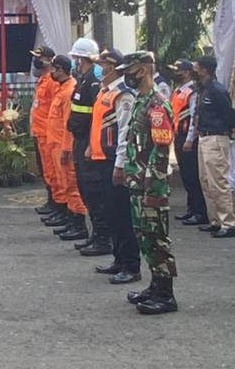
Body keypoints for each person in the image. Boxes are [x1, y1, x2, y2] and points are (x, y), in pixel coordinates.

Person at [115, 51, 179, 315]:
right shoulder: (142, 101)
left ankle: (166, 294)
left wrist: (152, 187)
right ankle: (155, 285)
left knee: (157, 239)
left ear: (142, 70)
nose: (125, 75)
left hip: (151, 185)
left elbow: (161, 151)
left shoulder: (157, 104)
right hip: (137, 181)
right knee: (144, 237)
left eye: (129, 70)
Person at [91, 48, 142, 284]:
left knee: (122, 216)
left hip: (115, 161)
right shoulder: (106, 91)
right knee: (111, 214)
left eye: (102, 64)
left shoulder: (123, 94)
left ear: (111, 67)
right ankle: (119, 259)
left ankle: (131, 265)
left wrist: (120, 164)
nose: (99, 69)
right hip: (102, 158)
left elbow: (124, 132)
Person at [67, 38, 110, 255]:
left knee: (93, 191)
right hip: (80, 139)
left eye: (76, 57)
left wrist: (92, 145)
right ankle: (96, 235)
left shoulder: (94, 81)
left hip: (88, 142)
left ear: (81, 58)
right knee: (85, 189)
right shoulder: (83, 79)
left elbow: (97, 117)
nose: (74, 61)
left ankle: (103, 239)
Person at [188, 56, 235, 236]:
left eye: (195, 67)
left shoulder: (217, 90)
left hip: (216, 137)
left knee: (218, 181)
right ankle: (216, 219)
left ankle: (229, 223)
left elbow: (229, 114)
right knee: (206, 181)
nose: (192, 70)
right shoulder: (203, 89)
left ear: (204, 70)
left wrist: (228, 129)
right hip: (204, 138)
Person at [46, 55, 87, 241]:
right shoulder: (62, 89)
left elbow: (68, 125)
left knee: (71, 185)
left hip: (64, 146)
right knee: (63, 183)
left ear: (61, 69)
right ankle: (70, 220)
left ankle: (78, 224)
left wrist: (66, 148)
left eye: (53, 69)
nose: (51, 73)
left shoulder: (69, 90)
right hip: (54, 144)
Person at [169, 60, 207, 227]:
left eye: (177, 71)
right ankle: (191, 209)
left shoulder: (192, 91)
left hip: (187, 138)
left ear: (186, 72)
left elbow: (194, 117)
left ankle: (200, 212)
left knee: (193, 176)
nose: (175, 73)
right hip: (178, 136)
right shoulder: (178, 91)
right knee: (186, 176)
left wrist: (190, 139)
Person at [29, 47, 59, 216]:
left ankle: (57, 205)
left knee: (52, 171)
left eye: (39, 58)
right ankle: (52, 201)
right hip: (40, 131)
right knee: (45, 170)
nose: (36, 62)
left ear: (48, 60)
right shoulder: (42, 79)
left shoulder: (52, 81)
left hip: (48, 133)